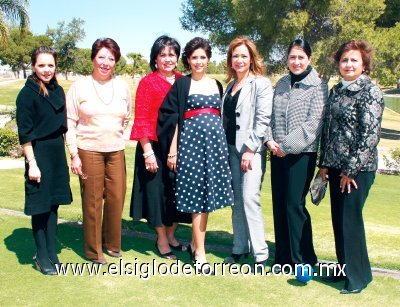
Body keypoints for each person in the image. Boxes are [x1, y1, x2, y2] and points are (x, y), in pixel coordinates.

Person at [158, 37, 233, 272]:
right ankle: (200, 251)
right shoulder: (182, 85)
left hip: (214, 148)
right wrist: (173, 151)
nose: (199, 61)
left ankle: (194, 243)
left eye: (203, 57)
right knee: (195, 197)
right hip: (189, 148)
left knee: (207, 197)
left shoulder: (218, 85)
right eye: (194, 57)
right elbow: (173, 118)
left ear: (208, 58)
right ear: (188, 60)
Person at [319, 39, 384, 294]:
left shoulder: (371, 92)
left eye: (354, 60)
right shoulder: (336, 91)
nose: (348, 64)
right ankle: (346, 269)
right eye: (344, 60)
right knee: (339, 221)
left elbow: (369, 135)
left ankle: (357, 279)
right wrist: (325, 164)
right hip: (335, 167)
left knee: (350, 221)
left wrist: (350, 170)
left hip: (358, 171)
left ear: (364, 65)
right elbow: (329, 130)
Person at [66, 38, 132, 264]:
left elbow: (126, 116)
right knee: (93, 201)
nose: (106, 62)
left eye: (111, 58)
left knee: (116, 197)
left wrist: (113, 133)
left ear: (116, 61)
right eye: (101, 57)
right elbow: (70, 121)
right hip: (88, 150)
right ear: (93, 58)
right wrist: (74, 153)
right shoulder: (80, 86)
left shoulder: (122, 86)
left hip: (115, 150)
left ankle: (112, 244)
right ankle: (93, 251)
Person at [266, 38, 328, 271]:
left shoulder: (318, 86)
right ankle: (282, 259)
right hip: (277, 152)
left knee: (294, 204)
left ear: (309, 59)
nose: (296, 61)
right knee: (280, 205)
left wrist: (285, 146)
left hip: (301, 154)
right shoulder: (281, 83)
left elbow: (313, 125)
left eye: (301, 57)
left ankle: (303, 259)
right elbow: (270, 116)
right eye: (292, 57)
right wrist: (270, 141)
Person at [130, 35, 191, 260]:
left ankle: (172, 234)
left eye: (171, 54)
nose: (167, 59)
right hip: (153, 147)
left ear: (177, 58)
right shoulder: (147, 82)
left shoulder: (184, 81)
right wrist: (147, 152)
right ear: (155, 58)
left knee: (176, 195)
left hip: (180, 147)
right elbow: (142, 119)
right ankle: (162, 239)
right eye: (162, 55)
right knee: (156, 196)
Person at [16, 46, 72, 275]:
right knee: (40, 208)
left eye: (50, 65)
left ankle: (51, 251)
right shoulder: (27, 94)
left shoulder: (57, 90)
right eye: (42, 65)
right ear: (33, 67)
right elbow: (25, 134)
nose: (47, 70)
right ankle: (41, 255)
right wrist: (32, 163)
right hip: (38, 154)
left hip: (56, 153)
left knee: (53, 205)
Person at [222, 37, 273, 270]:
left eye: (244, 55)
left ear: (251, 58)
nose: (239, 60)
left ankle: (260, 254)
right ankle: (239, 248)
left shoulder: (260, 84)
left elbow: (263, 120)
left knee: (250, 198)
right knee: (237, 202)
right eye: (235, 56)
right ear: (230, 60)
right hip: (231, 151)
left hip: (250, 152)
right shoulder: (229, 86)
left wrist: (251, 149)